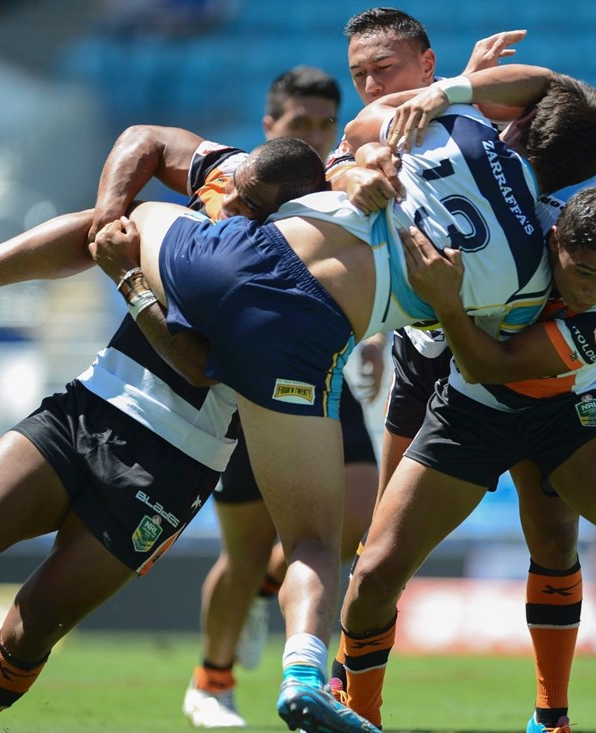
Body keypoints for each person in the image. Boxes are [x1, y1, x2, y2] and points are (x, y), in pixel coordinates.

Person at [82, 62, 596, 733]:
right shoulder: (532, 268)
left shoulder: (452, 127)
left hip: (241, 260)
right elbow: (472, 348)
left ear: (519, 119)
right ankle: (298, 672)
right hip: (314, 339)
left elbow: (398, 121)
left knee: (124, 221)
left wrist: (447, 91)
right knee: (310, 540)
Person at [0, 132, 328, 733]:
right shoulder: (229, 179)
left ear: (291, 205)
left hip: (174, 462)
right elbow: (143, 140)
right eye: (236, 192)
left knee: (33, 624)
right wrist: (109, 216)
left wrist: (128, 276)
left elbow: (200, 364)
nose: (230, 209)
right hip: (93, 402)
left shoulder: (300, 262)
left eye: (250, 205)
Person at [337, 180, 596, 733]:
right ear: (555, 239)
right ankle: (359, 718)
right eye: (584, 272)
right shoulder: (511, 238)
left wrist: (448, 302)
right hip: (471, 412)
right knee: (375, 572)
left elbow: (496, 364)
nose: (595, 290)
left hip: (569, 410)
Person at [325, 11, 587, 733]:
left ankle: (551, 715)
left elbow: (553, 87)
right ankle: (356, 701)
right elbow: (340, 168)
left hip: (518, 337)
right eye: (361, 74)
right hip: (426, 353)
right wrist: (353, 172)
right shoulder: (371, 127)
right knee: (383, 543)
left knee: (553, 533)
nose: (373, 83)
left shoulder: (469, 102)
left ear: (425, 61)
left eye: (384, 67)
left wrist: (455, 90)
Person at [180, 65, 381, 729]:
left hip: (316, 376)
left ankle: (279, 588)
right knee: (242, 550)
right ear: (270, 129)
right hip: (241, 387)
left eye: (327, 123)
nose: (319, 135)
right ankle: (211, 680)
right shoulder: (240, 191)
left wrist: (377, 340)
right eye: (302, 125)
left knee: (354, 514)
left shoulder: (337, 189)